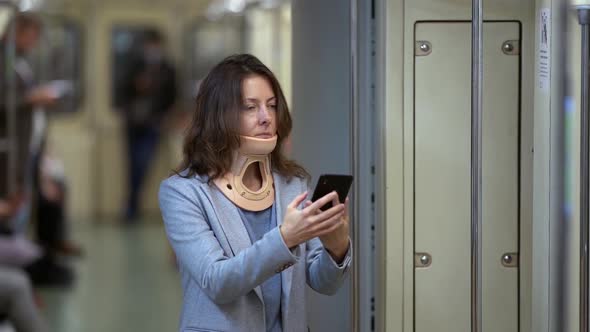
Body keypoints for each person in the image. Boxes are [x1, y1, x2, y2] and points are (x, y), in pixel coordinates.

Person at [159, 54, 352, 332]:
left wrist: (336, 247)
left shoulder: (291, 184)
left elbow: (324, 283)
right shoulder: (183, 192)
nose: (265, 118)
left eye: (271, 106)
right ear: (219, 115)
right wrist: (285, 238)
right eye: (251, 107)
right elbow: (218, 282)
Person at [120, 29, 176, 222]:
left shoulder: (168, 70)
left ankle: (135, 207)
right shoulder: (134, 67)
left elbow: (173, 97)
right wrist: (136, 87)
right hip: (134, 124)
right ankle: (132, 207)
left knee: (144, 164)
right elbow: (121, 91)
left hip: (154, 124)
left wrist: (165, 117)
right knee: (133, 166)